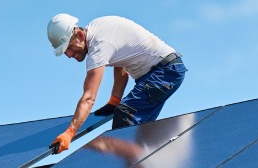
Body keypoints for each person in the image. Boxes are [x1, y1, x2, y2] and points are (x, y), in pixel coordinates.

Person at [46, 13, 185, 153]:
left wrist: (70, 133)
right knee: (134, 126)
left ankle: (123, 167)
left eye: (69, 47)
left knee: (126, 114)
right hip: (161, 72)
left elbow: (89, 98)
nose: (69, 54)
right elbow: (121, 64)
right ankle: (141, 159)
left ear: (80, 35)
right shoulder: (97, 28)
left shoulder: (99, 47)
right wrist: (114, 100)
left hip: (164, 72)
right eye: (65, 52)